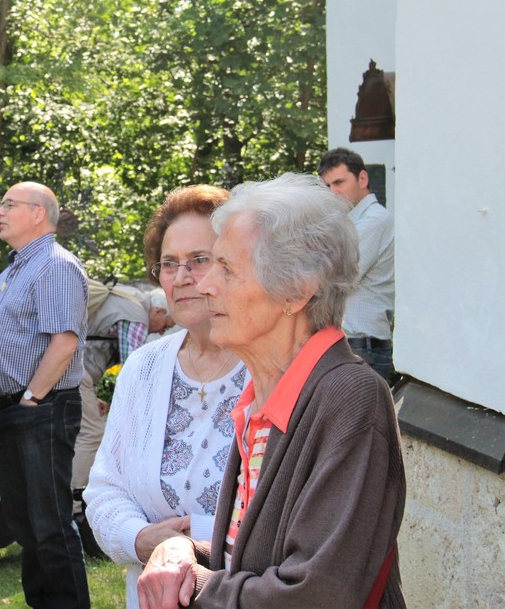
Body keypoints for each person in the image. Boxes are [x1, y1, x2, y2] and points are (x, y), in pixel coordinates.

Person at [136, 173, 405, 608]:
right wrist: (182, 550)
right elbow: (251, 558)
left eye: (226, 268)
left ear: (296, 291)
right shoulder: (261, 402)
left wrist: (196, 586)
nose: (205, 285)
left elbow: (317, 592)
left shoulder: (349, 398)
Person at [84, 185, 247, 608]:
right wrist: (140, 540)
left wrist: (189, 545)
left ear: (236, 265)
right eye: (169, 264)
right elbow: (104, 490)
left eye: (199, 259)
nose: (182, 276)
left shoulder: (266, 367)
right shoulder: (144, 368)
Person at [0, 182, 91, 608]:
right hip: (10, 411)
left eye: (8, 204)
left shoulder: (55, 266)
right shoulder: (14, 270)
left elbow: (65, 342)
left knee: (50, 525)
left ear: (38, 213)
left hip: (41, 408)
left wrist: (31, 400)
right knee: (24, 526)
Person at [72, 282, 167, 503]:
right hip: (76, 373)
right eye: (167, 324)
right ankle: (75, 500)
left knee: (77, 433)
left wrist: (96, 396)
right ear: (158, 311)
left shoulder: (127, 300)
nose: (163, 331)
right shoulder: (136, 317)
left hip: (75, 372)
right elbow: (133, 375)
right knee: (92, 434)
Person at [318, 147, 395, 383]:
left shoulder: (375, 219)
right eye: (328, 186)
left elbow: (334, 274)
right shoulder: (350, 222)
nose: (334, 192)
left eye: (339, 182)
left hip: (364, 347)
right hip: (352, 346)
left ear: (362, 178)